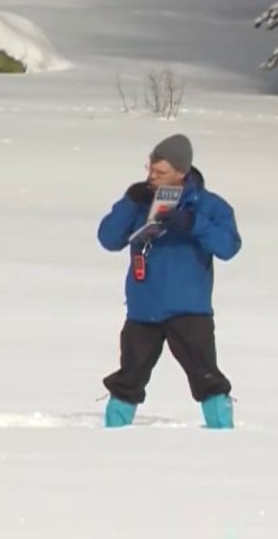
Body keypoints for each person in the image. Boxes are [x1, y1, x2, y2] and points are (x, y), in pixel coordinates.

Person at [97, 134, 242, 429]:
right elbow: (108, 239)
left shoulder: (209, 206)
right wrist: (129, 201)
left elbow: (228, 246)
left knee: (206, 376)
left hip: (189, 308)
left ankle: (222, 431)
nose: (151, 177)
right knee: (129, 377)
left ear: (181, 172)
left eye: (160, 172)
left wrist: (192, 224)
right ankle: (114, 432)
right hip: (143, 308)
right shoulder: (139, 202)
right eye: (150, 169)